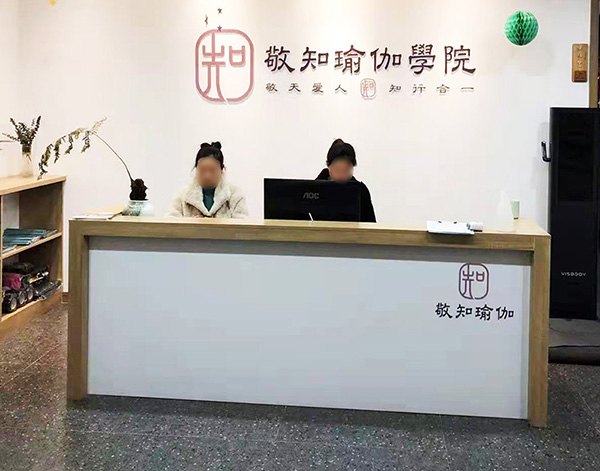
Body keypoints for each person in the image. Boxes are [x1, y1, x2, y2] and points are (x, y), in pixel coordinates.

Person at [167, 142, 249, 218]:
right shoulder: (183, 196)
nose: (207, 176)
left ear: (221, 170)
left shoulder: (235, 194)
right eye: (202, 170)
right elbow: (171, 223)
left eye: (212, 170)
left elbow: (242, 225)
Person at [316, 139, 376, 222]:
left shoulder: (360, 191)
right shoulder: (314, 190)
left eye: (345, 170)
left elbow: (370, 224)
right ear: (329, 167)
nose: (341, 175)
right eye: (337, 170)